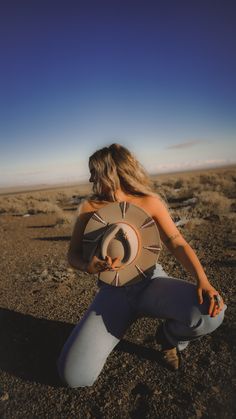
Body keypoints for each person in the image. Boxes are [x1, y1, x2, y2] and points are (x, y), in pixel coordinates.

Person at [58, 143, 226, 388]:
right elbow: (72, 255)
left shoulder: (150, 202)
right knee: (74, 377)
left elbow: (176, 242)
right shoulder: (89, 209)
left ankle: (169, 338)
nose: (91, 178)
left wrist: (203, 280)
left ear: (113, 172)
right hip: (113, 292)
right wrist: (88, 266)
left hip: (150, 282)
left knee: (212, 312)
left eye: (96, 172)